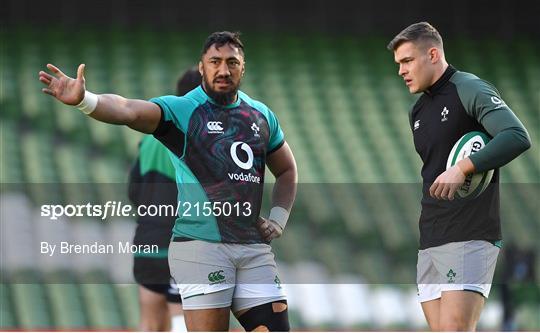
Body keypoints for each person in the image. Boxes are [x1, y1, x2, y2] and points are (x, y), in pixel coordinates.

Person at [39, 31, 297, 332]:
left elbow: (287, 170)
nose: (223, 70)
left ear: (243, 67)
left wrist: (278, 219)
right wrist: (86, 100)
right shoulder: (184, 109)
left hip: (253, 247)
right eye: (215, 61)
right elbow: (127, 109)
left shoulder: (261, 115)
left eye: (232, 62)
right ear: (202, 67)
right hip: (202, 248)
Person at [387, 22, 531, 331]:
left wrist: (464, 167)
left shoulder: (468, 88)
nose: (401, 70)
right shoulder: (417, 111)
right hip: (432, 235)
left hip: (470, 233)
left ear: (433, 54)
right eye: (398, 64)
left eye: (408, 60)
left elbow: (516, 136)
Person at [127, 67, 201, 331]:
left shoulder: (150, 139)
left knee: (150, 323)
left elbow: (134, 191)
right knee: (183, 320)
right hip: (180, 240)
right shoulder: (198, 137)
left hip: (146, 238)